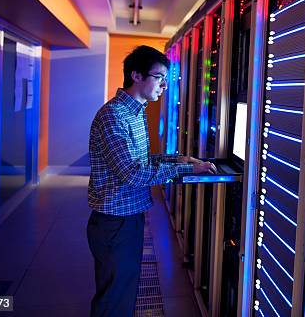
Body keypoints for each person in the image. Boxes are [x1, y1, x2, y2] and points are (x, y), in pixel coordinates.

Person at [86, 45, 215, 317]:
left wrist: (179, 160)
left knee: (124, 293)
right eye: (159, 77)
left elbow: (141, 162)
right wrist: (183, 172)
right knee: (114, 299)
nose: (164, 86)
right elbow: (132, 174)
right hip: (115, 221)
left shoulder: (136, 112)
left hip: (128, 216)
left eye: (166, 79)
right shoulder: (114, 117)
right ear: (136, 75)